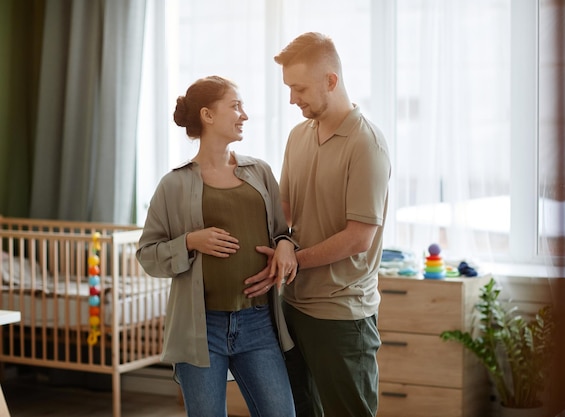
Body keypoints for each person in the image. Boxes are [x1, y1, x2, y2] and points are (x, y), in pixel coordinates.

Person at [136, 75, 298, 417]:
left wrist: (286, 245)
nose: (245, 115)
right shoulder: (174, 184)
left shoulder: (261, 173)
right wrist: (191, 241)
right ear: (208, 115)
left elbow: (282, 233)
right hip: (200, 328)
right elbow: (147, 255)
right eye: (236, 106)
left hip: (258, 322)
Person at [273, 32, 391, 417]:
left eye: (299, 88)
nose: (293, 99)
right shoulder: (297, 136)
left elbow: (359, 238)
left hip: (342, 314)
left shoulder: (365, 143)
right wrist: (281, 242)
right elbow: (286, 211)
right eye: (289, 88)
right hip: (293, 305)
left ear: (331, 81)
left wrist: (295, 259)